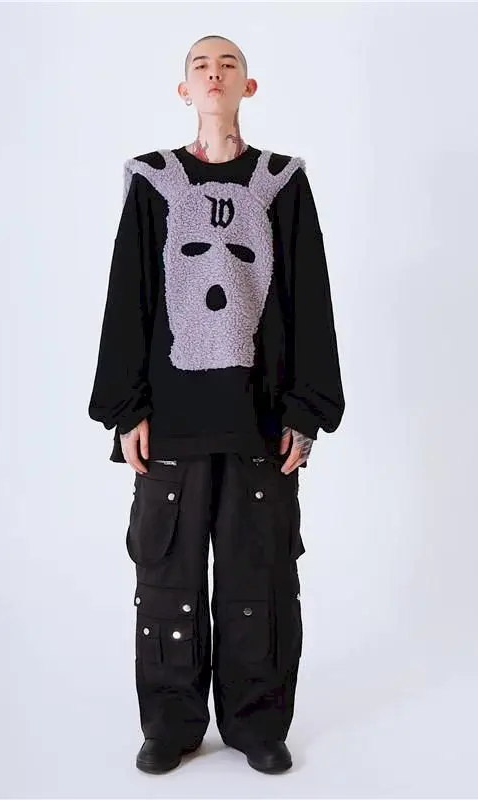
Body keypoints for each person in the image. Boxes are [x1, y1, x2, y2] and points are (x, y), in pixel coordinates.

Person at [88, 34, 344, 775]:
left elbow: (308, 296)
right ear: (184, 90)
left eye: (228, 63)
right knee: (166, 581)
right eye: (200, 65)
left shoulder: (281, 182)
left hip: (258, 419)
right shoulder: (154, 180)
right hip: (171, 419)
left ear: (247, 86)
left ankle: (256, 723)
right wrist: (126, 408)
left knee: (258, 579)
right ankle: (171, 723)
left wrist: (306, 411)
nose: (213, 72)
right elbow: (130, 294)